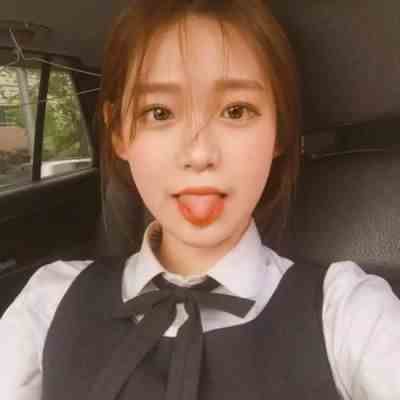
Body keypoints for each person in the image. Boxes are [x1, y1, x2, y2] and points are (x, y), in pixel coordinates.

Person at [1, 0, 399, 399]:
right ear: (119, 132)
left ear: (279, 129)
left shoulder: (347, 312)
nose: (199, 153)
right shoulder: (50, 301)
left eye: (236, 110)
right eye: (159, 112)